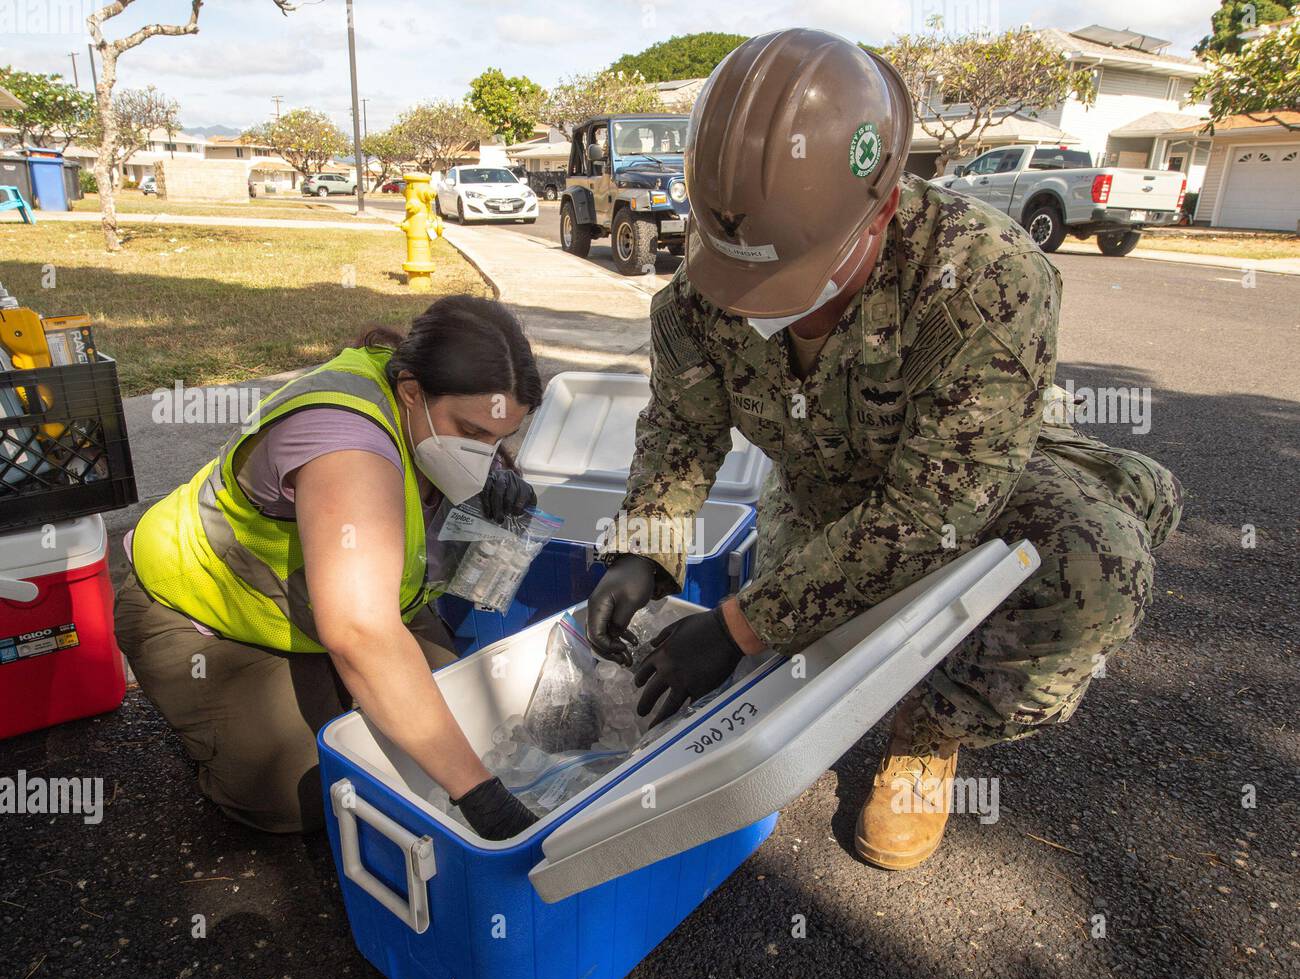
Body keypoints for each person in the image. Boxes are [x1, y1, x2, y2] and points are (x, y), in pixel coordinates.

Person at [586, 29, 1183, 870]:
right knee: (822, 654)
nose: (766, 306)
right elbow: (681, 430)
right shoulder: (700, 294)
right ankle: (869, 664)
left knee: (1092, 569)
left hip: (974, 477)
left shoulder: (986, 276)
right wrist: (642, 551)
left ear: (885, 205)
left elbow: (939, 509)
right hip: (824, 487)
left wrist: (741, 623)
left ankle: (934, 726)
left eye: (793, 274)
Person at [115, 297, 544, 839]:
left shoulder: (422, 405)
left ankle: (329, 690)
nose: (487, 451)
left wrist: (488, 491)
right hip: (215, 617)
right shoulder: (345, 442)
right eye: (473, 433)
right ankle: (220, 735)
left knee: (464, 732)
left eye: (500, 437)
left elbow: (379, 588)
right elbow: (361, 631)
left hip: (343, 601)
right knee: (308, 795)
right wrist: (481, 797)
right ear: (411, 391)